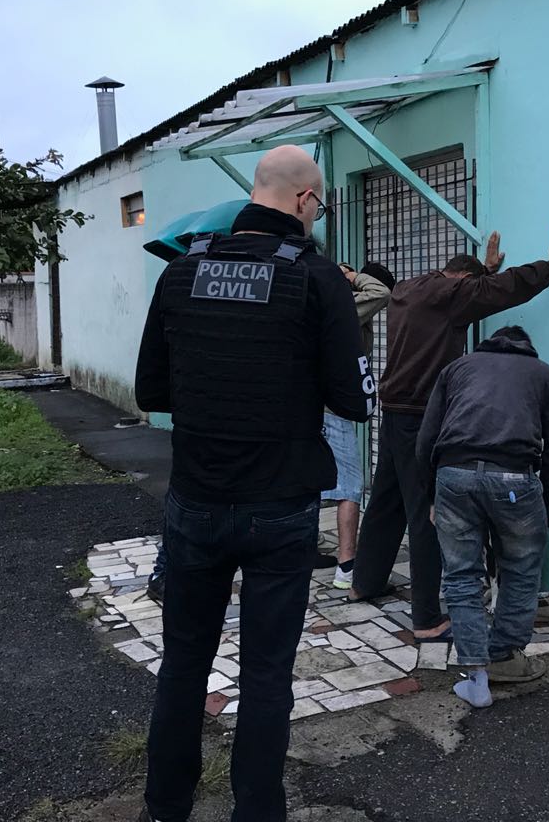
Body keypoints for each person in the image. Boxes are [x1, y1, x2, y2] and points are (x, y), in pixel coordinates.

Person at [133, 145, 375, 822]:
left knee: (183, 667)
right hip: (279, 511)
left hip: (196, 504)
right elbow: (356, 401)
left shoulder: (181, 272)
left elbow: (152, 387)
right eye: (319, 205)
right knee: (266, 677)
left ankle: (164, 809)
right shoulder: (317, 278)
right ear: (303, 201)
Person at [348, 223, 549, 642]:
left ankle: (366, 581)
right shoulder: (452, 298)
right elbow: (509, 288)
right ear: (466, 283)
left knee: (385, 502)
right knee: (427, 514)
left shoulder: (411, 289)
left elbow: (479, 290)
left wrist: (482, 274)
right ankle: (428, 617)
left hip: (392, 410)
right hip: (420, 414)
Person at [418, 325, 549, 706]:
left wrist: (431, 495)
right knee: (522, 570)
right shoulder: (546, 376)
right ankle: (505, 657)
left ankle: (476, 679)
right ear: (528, 348)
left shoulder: (457, 369)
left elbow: (426, 438)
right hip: (514, 478)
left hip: (453, 476)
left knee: (461, 575)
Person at [323, 260, 395, 589]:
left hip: (310, 406)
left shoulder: (319, 303)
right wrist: (353, 277)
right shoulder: (344, 310)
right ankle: (347, 566)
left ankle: (302, 554)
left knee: (308, 483)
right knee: (350, 485)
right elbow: (381, 291)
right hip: (331, 409)